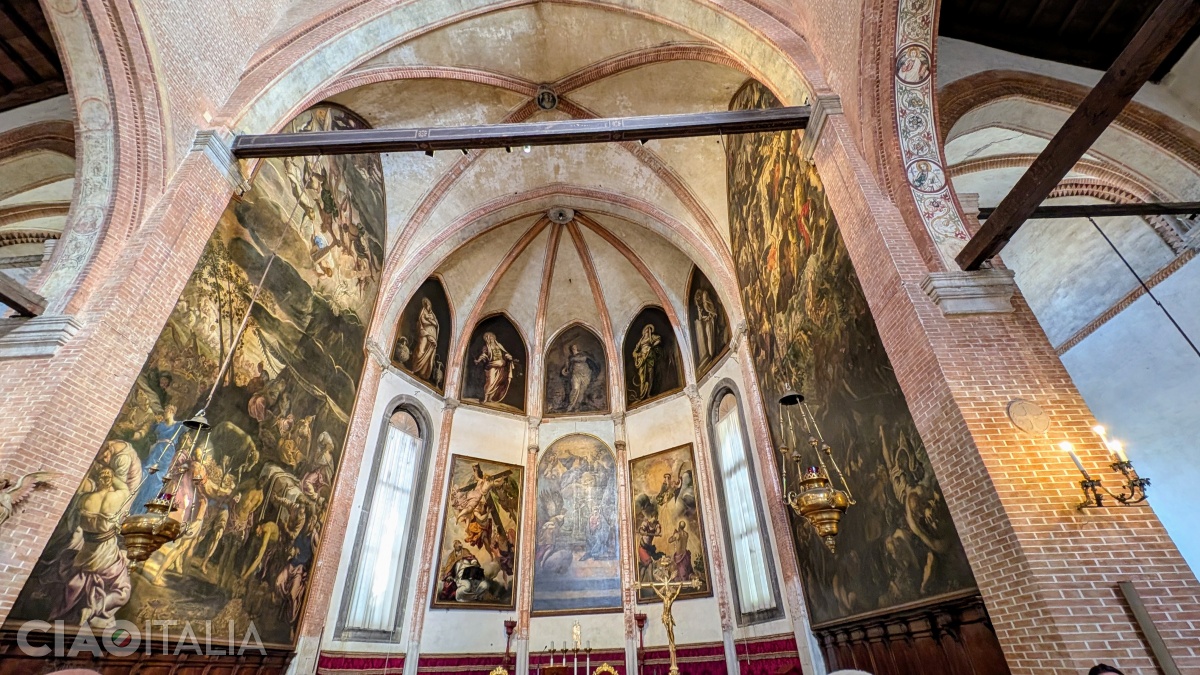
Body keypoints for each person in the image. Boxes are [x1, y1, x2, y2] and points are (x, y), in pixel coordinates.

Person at [50, 468, 131, 628]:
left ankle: (74, 612)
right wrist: (112, 476)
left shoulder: (84, 499)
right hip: (106, 549)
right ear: (111, 479)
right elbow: (124, 487)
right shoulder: (116, 496)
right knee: (123, 589)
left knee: (79, 579)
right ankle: (94, 608)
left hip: (86, 548)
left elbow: (73, 523)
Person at [474, 332, 515, 404]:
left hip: (501, 366)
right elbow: (483, 355)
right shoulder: (486, 347)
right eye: (488, 337)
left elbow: (504, 353)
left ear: (494, 337)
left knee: (498, 383)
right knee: (490, 382)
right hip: (492, 366)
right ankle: (485, 398)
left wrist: (508, 356)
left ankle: (490, 398)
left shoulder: (499, 345)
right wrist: (478, 360)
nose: (490, 338)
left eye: (491, 337)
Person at [560, 343, 599, 412]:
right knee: (575, 388)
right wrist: (565, 370)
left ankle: (577, 406)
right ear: (571, 349)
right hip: (575, 374)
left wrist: (594, 371)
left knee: (582, 391)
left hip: (585, 374)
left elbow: (590, 362)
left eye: (575, 347)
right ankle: (571, 405)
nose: (574, 348)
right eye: (572, 347)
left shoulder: (583, 355)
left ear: (577, 348)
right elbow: (567, 367)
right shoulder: (570, 357)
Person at [410, 297, 439, 379]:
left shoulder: (432, 314)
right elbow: (422, 321)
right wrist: (429, 320)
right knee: (421, 350)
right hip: (424, 332)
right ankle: (415, 368)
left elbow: (436, 324)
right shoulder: (423, 311)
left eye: (429, 304)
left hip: (432, 335)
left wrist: (429, 319)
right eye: (426, 304)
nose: (427, 305)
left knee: (429, 352)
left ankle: (422, 372)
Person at [631, 324, 661, 401]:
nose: (647, 331)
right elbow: (634, 352)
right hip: (642, 359)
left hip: (650, 357)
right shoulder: (641, 340)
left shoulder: (652, 337)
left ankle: (649, 393)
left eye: (648, 330)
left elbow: (658, 339)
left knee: (651, 375)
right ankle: (642, 395)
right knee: (642, 378)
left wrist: (651, 346)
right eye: (646, 330)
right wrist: (638, 354)